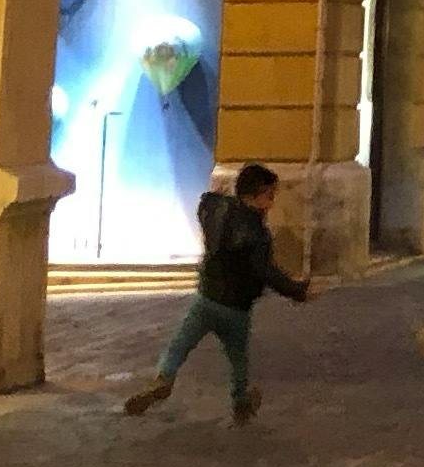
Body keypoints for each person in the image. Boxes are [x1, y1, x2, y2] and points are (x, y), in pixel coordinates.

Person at [123, 162, 308, 422]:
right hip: (236, 309)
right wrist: (298, 291)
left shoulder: (218, 210)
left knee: (180, 343)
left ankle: (164, 377)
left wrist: (220, 195)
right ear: (257, 195)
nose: (272, 203)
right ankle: (240, 400)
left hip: (207, 298)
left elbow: (205, 205)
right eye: (269, 196)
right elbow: (266, 272)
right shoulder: (257, 234)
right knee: (238, 360)